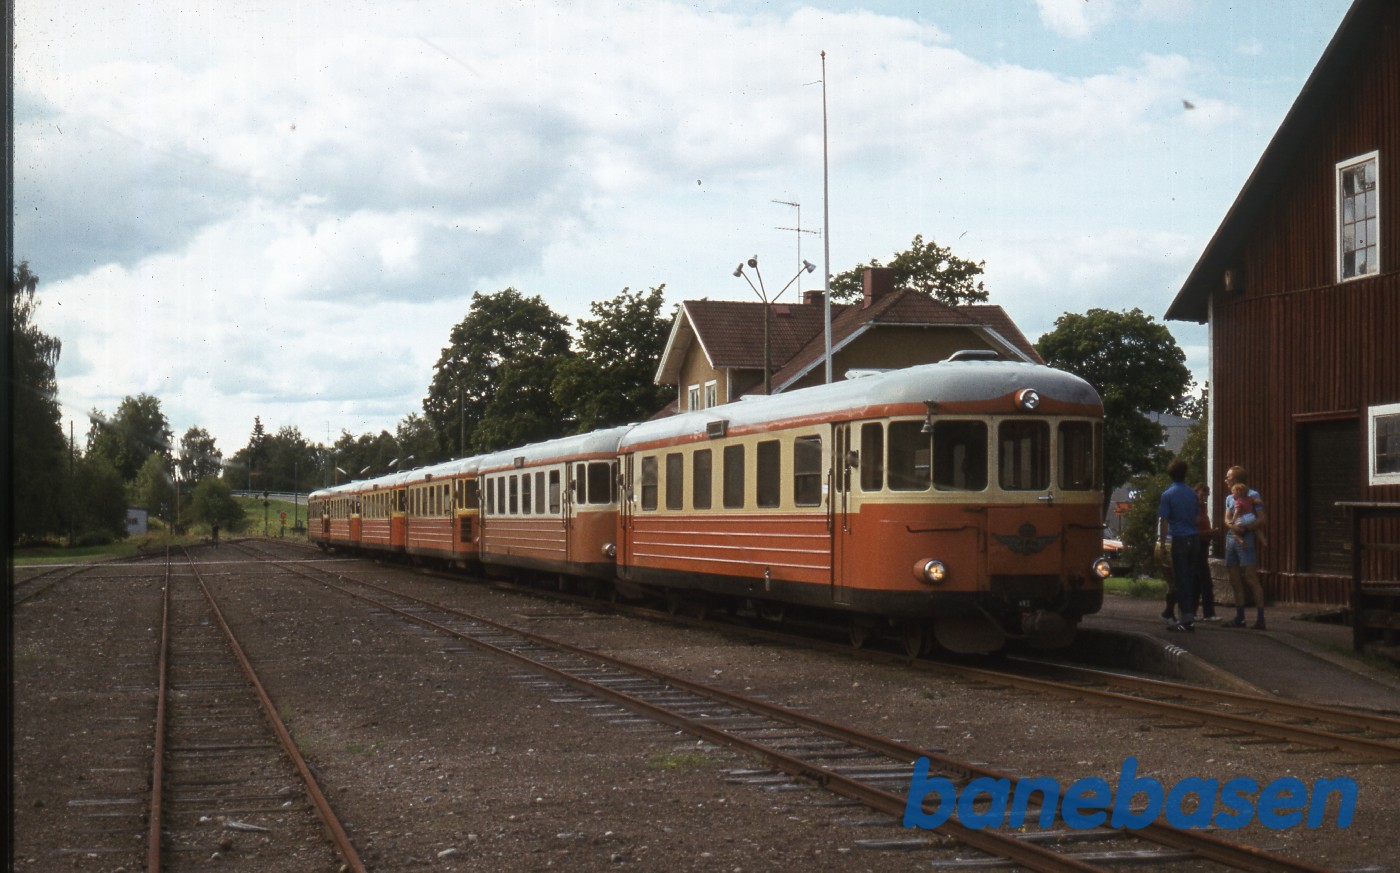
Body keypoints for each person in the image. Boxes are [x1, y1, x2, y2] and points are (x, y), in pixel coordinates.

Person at [1156, 459, 1199, 632]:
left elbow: (1164, 520)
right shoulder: (1192, 494)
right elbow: (1196, 517)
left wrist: (1163, 543)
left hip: (1179, 538)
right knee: (1190, 577)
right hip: (1194, 537)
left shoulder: (1168, 495)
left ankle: (1186, 619)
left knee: (1181, 580)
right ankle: (1190, 615)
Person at [1222, 465, 1267, 629]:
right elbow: (1226, 518)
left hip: (1246, 535)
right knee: (1234, 578)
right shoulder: (1229, 497)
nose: (1226, 480)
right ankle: (1239, 617)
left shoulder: (1252, 495)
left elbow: (1262, 518)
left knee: (1250, 576)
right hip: (1232, 536)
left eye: (1228, 477)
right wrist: (1232, 526)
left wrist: (1247, 528)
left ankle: (1260, 618)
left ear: (1235, 479)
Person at [1226, 483, 1268, 548]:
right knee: (1257, 529)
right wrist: (1262, 503)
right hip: (1251, 517)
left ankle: (1240, 540)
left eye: (1233, 493)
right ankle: (1264, 541)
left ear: (1238, 493)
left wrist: (1233, 520)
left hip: (1242, 519)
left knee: (1234, 532)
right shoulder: (1250, 498)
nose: (1232, 495)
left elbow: (1237, 512)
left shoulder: (1238, 502)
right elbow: (1257, 501)